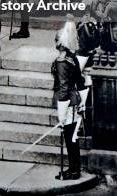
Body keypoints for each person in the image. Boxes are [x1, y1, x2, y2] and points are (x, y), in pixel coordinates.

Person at [51, 20, 86, 181]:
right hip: (75, 100)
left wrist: (61, 113)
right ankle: (74, 168)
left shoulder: (61, 62)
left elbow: (63, 88)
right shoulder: (72, 58)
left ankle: (74, 170)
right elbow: (80, 81)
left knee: (70, 138)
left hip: (67, 102)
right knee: (72, 138)